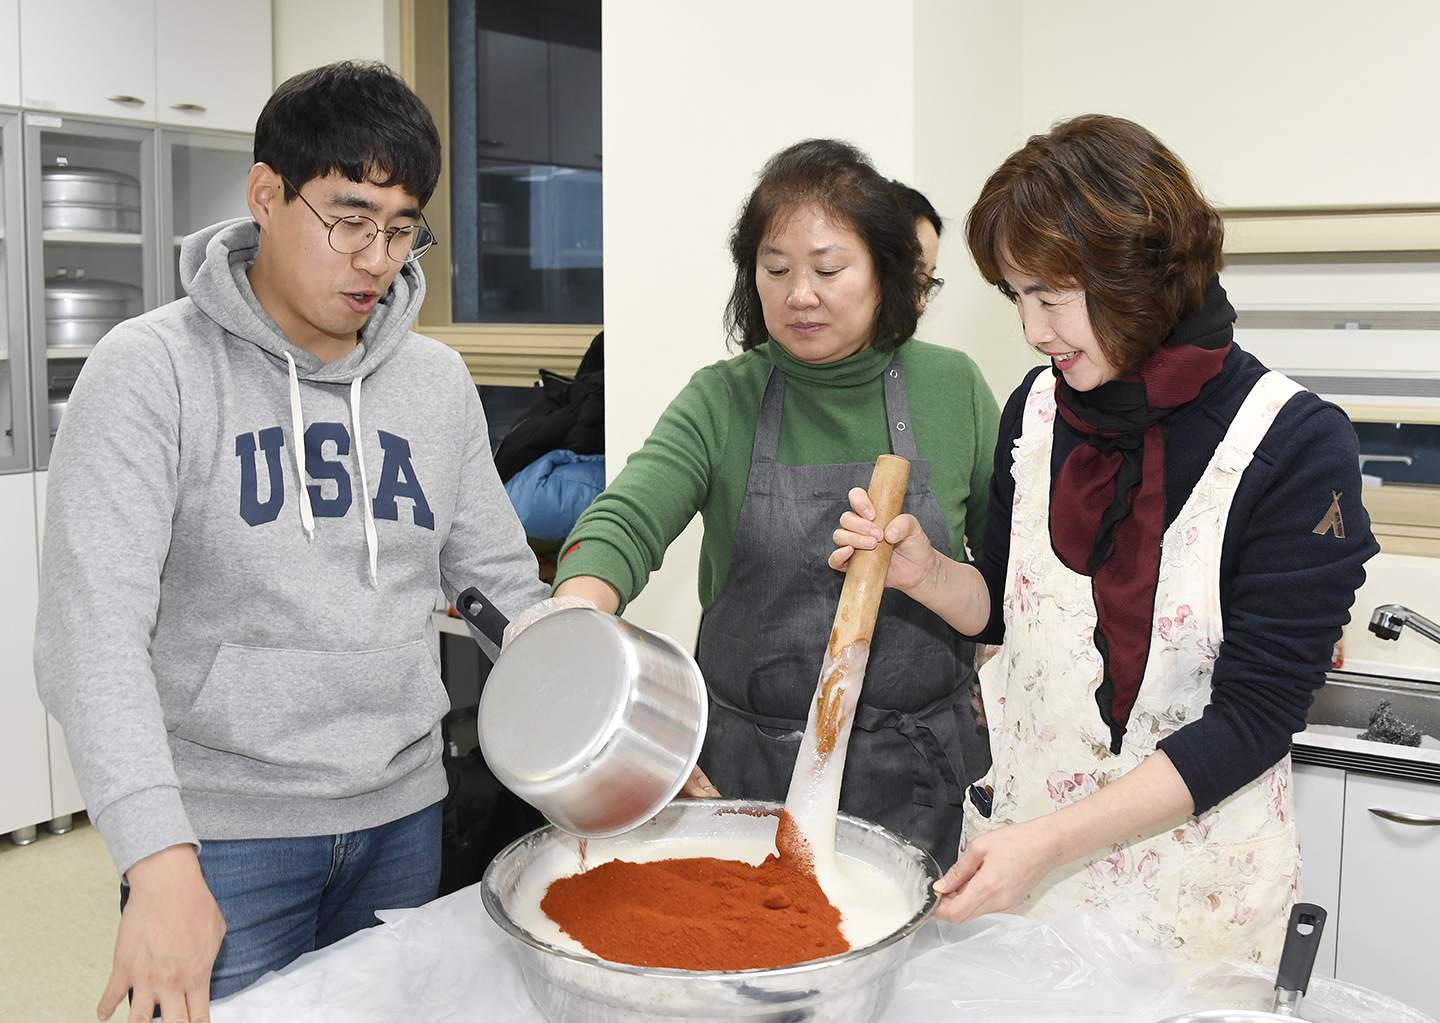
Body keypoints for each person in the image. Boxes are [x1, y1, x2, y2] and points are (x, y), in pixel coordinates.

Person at [33, 61, 550, 1020]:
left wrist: (598, 721)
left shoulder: (434, 384)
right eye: (349, 219)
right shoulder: (151, 373)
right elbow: (90, 636)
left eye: (402, 228)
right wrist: (155, 856)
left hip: (402, 811)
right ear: (265, 194)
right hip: (222, 834)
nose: (376, 258)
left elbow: (501, 582)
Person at [832, 114, 1377, 964]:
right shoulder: (1038, 410)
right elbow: (1014, 618)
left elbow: (1256, 716)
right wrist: (929, 573)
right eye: (1016, 297)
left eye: (1051, 296)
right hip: (1026, 886)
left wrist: (1049, 843)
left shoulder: (1296, 446)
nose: (1033, 329)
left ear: (1137, 276)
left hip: (1196, 912)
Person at [551, 139, 1000, 867]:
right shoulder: (722, 398)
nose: (799, 295)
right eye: (776, 268)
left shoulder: (953, 387)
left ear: (886, 273)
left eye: (828, 269)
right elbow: (626, 519)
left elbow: (1011, 576)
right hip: (749, 777)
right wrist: (577, 607)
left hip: (920, 777)